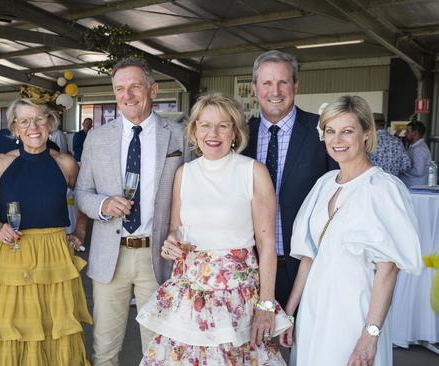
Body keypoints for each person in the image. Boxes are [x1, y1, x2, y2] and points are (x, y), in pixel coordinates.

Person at [137, 94, 292, 365]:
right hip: (188, 293)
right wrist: (170, 242)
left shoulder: (253, 171)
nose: (213, 133)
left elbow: (267, 245)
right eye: (205, 125)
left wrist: (266, 304)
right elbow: (177, 229)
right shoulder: (184, 172)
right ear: (194, 130)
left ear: (235, 131)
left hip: (235, 297)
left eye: (223, 125)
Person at [279, 96, 423, 366]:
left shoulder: (383, 188)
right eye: (330, 131)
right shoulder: (324, 185)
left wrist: (371, 333)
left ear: (366, 133)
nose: (337, 140)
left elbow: (388, 269)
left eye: (347, 131)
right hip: (314, 307)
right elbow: (309, 256)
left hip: (355, 308)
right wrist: (289, 313)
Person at [76, 56, 185, 365]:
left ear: (153, 89)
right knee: (105, 348)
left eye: (135, 86)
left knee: (158, 348)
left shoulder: (179, 136)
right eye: (120, 89)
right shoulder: (97, 138)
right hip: (111, 254)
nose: (128, 95)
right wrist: (102, 205)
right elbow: (82, 193)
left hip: (159, 256)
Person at [0, 98, 91, 365]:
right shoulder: (0, 163)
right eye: (24, 121)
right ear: (15, 128)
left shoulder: (66, 163)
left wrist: (81, 232)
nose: (33, 127)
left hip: (55, 256)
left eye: (40, 119)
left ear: (50, 124)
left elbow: (85, 198)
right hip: (11, 254)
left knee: (55, 330)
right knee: (9, 328)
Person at [243, 50, 336, 306]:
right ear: (254, 88)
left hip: (306, 263)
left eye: (283, 82)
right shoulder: (240, 136)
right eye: (267, 83)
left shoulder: (323, 130)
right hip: (250, 264)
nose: (275, 91)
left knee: (303, 344)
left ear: (295, 84)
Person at [399, 120, 431, 186]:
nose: (405, 133)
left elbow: (418, 172)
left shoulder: (419, 149)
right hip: (412, 186)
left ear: (414, 133)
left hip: (415, 188)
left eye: (407, 131)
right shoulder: (414, 147)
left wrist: (402, 170)